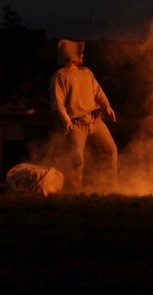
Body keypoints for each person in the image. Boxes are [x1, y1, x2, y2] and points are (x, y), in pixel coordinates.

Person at [49, 39, 118, 194]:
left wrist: (107, 106)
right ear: (73, 56)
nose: (83, 56)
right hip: (76, 124)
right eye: (80, 53)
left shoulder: (87, 73)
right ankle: (73, 193)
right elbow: (57, 102)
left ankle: (109, 189)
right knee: (76, 160)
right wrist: (65, 119)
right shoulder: (60, 76)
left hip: (94, 120)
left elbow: (97, 91)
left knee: (110, 150)